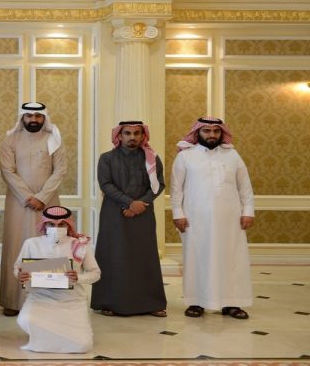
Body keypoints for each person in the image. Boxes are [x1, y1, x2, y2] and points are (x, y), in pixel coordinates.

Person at [170, 117, 255, 319]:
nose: (212, 135)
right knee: (196, 259)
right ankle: (196, 302)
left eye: (216, 131)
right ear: (198, 132)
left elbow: (245, 186)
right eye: (206, 131)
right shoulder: (185, 156)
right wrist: (177, 213)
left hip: (230, 218)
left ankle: (232, 303)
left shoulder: (232, 155)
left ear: (221, 133)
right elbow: (176, 188)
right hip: (195, 219)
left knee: (232, 259)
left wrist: (248, 211)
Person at [90, 121, 167, 317]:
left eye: (136, 133)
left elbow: (158, 185)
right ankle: (109, 302)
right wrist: (129, 203)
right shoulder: (107, 158)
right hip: (114, 213)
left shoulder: (152, 159)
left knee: (145, 255)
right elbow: (106, 185)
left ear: (143, 136)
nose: (132, 137)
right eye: (127, 133)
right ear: (119, 136)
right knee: (114, 255)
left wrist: (140, 204)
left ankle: (151, 303)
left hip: (143, 213)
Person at [0, 102, 67, 316]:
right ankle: (13, 301)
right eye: (29, 116)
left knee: (48, 246)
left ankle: (46, 298)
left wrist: (42, 197)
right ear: (23, 117)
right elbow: (7, 171)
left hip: (48, 202)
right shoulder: (11, 140)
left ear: (44, 118)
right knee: (16, 246)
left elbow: (60, 170)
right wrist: (27, 197)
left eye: (38, 116)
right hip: (18, 203)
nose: (33, 120)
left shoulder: (53, 139)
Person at [15, 206, 100, 353]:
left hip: (71, 301)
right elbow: (18, 267)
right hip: (40, 298)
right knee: (24, 320)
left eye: (61, 224)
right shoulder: (31, 243)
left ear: (68, 225)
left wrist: (78, 277)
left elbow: (95, 273)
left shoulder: (79, 245)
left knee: (82, 346)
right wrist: (19, 274)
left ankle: (50, 336)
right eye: (51, 224)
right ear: (44, 224)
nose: (56, 228)